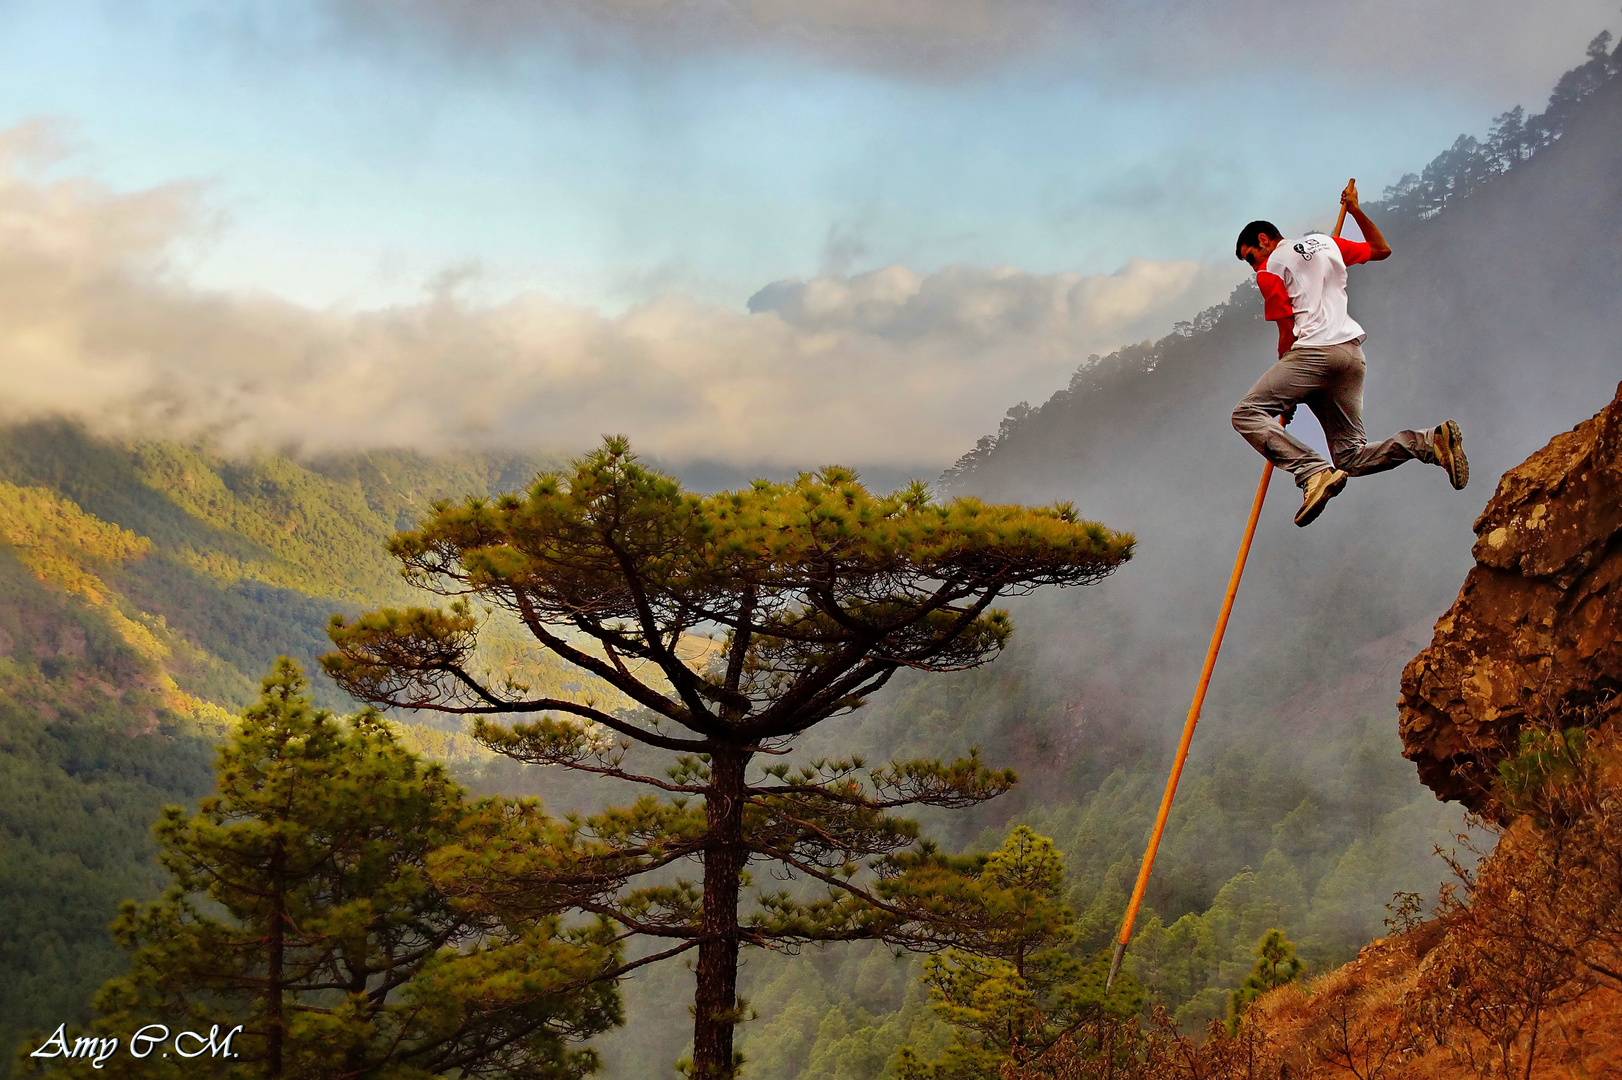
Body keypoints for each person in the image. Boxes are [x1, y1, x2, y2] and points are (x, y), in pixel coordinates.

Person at [1232, 179, 1468, 527]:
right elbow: (1381, 248)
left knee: (1246, 414)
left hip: (1314, 354)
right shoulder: (1327, 244)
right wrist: (1356, 210)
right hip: (1351, 356)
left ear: (1263, 241)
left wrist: (1287, 386)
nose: (1253, 267)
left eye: (1250, 258)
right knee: (1350, 459)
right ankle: (1430, 441)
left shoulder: (1270, 270)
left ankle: (1311, 472)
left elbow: (1286, 332)